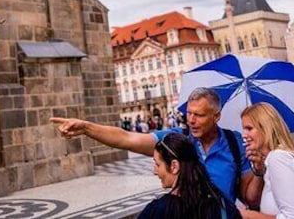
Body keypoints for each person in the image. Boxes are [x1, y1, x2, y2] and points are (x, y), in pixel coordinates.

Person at [50, 87, 263, 208]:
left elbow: (250, 198)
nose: (191, 120)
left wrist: (258, 170)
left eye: (198, 115)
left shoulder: (236, 144)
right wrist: (86, 127)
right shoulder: (177, 140)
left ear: (216, 116)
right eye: (189, 113)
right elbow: (127, 139)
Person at [239, 103, 294, 219]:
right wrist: (259, 169)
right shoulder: (275, 159)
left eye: (249, 128)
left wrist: (249, 215)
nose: (244, 135)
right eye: (243, 129)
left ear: (266, 128)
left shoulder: (278, 159)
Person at [138, 132, 241, 219]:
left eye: (157, 164)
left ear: (174, 166)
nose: (155, 171)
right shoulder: (223, 207)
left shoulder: (155, 211)